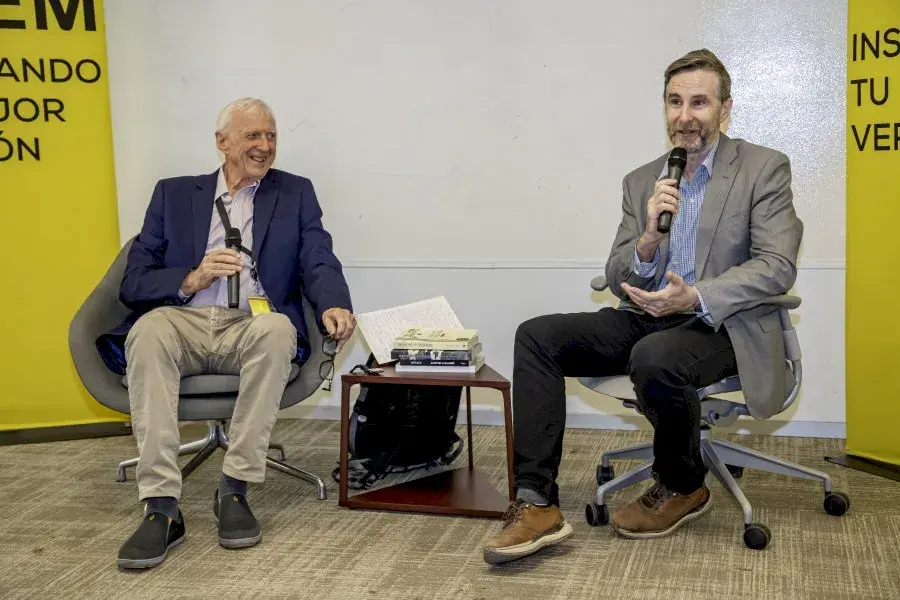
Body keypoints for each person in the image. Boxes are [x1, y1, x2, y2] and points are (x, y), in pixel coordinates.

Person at [482, 49, 803, 565]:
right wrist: (648, 241)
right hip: (647, 316)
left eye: (699, 102)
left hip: (724, 323)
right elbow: (616, 274)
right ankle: (536, 501)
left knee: (655, 357)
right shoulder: (643, 180)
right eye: (675, 102)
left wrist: (696, 295)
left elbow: (777, 265)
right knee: (537, 336)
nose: (685, 115)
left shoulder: (763, 168)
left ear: (724, 109)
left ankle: (683, 484)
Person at [96, 97, 356, 569]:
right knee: (148, 332)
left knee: (278, 331)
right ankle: (161, 506)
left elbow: (318, 257)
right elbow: (134, 282)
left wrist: (335, 303)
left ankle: (234, 488)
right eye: (253, 135)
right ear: (222, 141)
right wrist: (191, 278)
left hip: (252, 323)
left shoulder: (295, 192)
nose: (265, 146)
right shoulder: (174, 194)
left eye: (271, 136)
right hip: (184, 320)